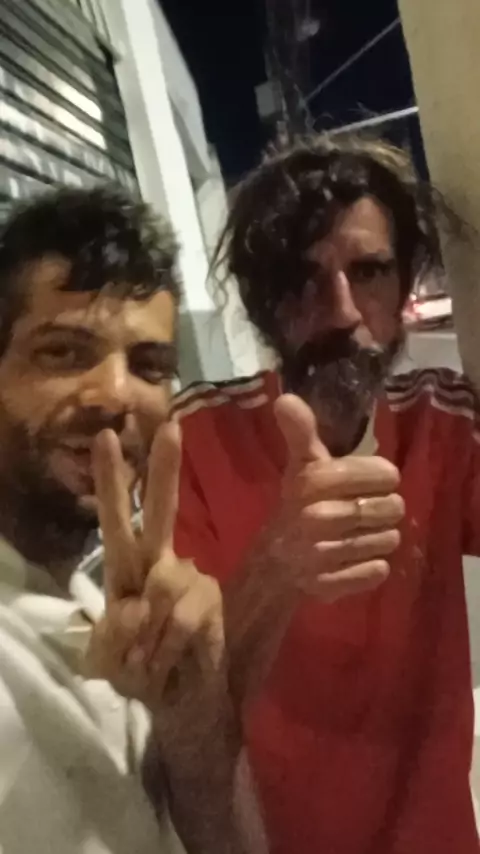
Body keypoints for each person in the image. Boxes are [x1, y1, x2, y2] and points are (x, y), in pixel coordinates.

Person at [172, 136, 480, 853]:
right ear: (263, 305)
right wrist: (278, 565)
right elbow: (178, 711)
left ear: (404, 287)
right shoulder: (195, 441)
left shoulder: (443, 421)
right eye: (302, 278)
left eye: (368, 272)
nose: (341, 312)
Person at [0, 187, 261, 854]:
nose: (116, 395)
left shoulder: (101, 610)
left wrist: (194, 719)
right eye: (62, 351)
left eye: (149, 366)